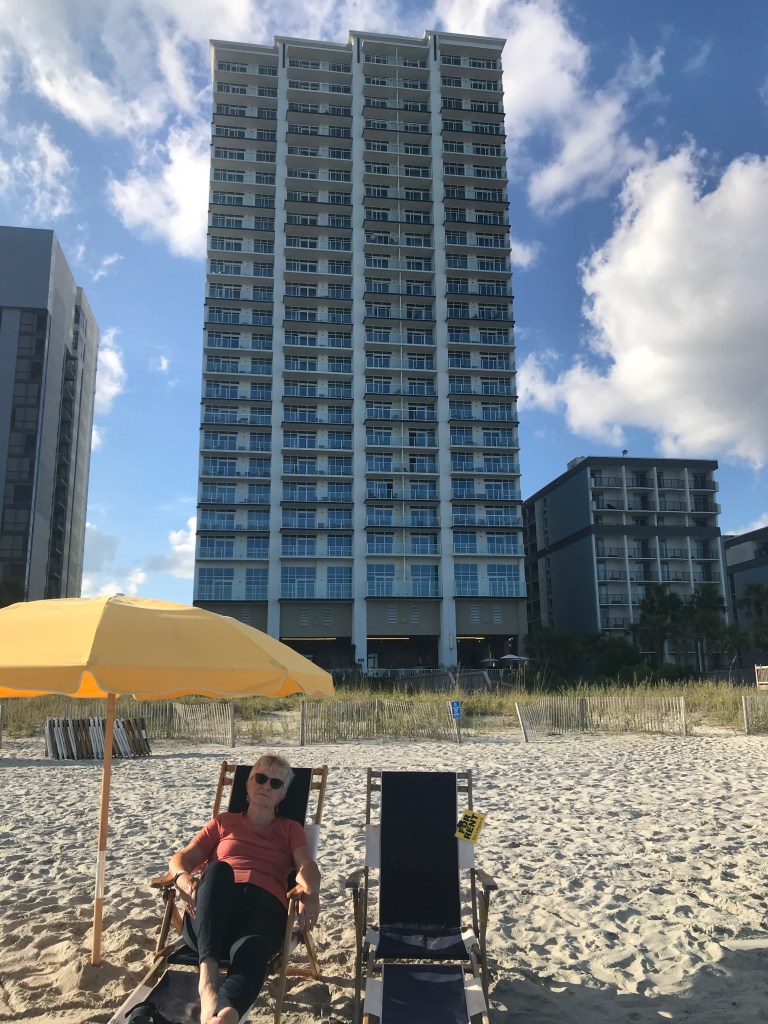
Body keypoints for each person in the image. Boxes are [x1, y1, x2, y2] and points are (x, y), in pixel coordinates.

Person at [167, 754, 321, 1024]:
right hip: (210, 918)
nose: (266, 786)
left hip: (261, 916)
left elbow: (306, 865)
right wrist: (182, 878)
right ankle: (208, 980)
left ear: (282, 795)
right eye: (260, 778)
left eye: (275, 783)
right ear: (248, 785)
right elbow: (182, 858)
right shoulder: (223, 822)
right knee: (218, 870)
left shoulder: (290, 829)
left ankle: (225, 1016)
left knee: (255, 947)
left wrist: (312, 892)